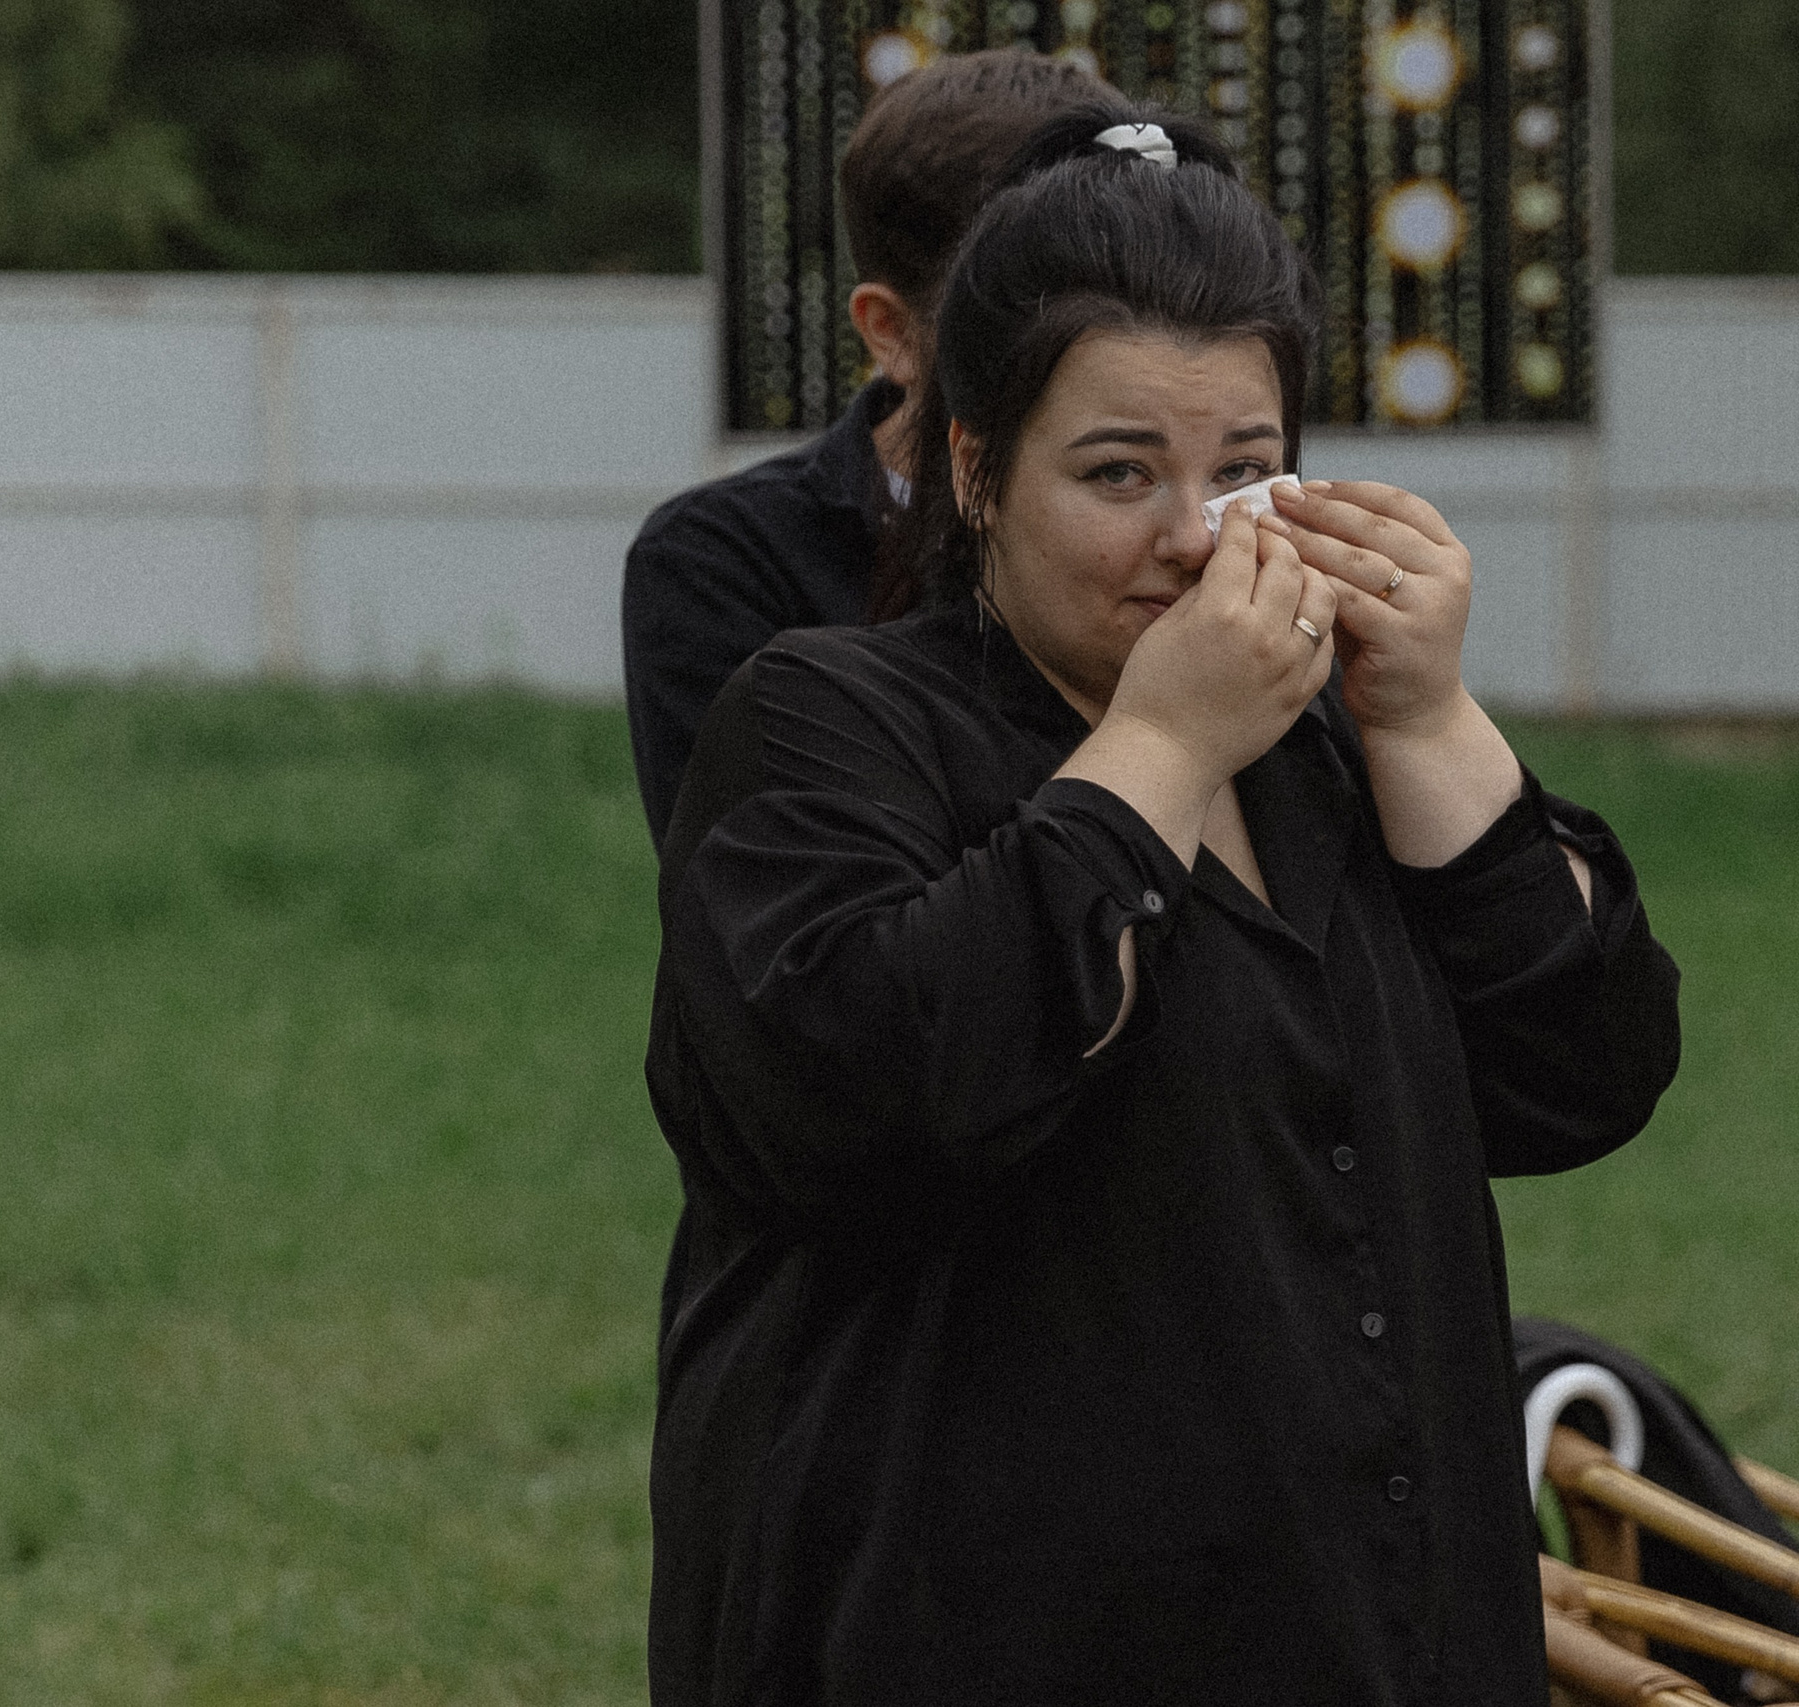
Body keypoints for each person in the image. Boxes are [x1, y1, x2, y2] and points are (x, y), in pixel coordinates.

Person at [643, 105, 1682, 1705]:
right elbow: (873, 1091)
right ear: (976, 469)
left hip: (1366, 1620)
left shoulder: (1321, 749)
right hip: (975, 1626)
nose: (1193, 539)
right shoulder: (825, 719)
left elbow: (1582, 1069)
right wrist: (1163, 741)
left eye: (1247, 472)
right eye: (1119, 471)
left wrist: (1424, 720)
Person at [621, 48, 1113, 848]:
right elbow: (781, 919)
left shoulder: (1215, 532)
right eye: (1037, 310)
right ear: (892, 331)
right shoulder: (726, 564)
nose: (1112, 341)